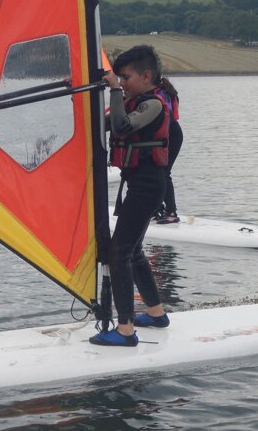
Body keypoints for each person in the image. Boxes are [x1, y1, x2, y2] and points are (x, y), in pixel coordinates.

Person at [90, 45, 170, 347]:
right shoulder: (132, 102)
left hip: (149, 187)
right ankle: (156, 314)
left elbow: (122, 128)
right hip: (138, 185)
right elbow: (104, 124)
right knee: (132, 251)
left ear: (146, 76)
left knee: (119, 252)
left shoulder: (153, 104)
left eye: (125, 78)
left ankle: (125, 330)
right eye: (119, 78)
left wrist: (113, 90)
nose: (122, 83)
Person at [153, 77, 183, 224]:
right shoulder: (164, 91)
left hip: (171, 133)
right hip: (169, 132)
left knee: (163, 172)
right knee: (158, 171)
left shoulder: (159, 94)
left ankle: (171, 212)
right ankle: (158, 209)